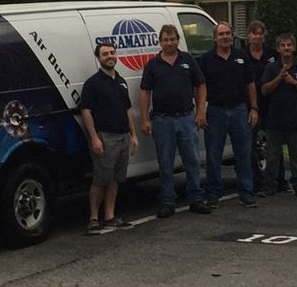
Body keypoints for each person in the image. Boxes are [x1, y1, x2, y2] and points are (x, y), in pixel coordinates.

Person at [139, 23, 212, 217]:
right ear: (160, 42)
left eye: (172, 39)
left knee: (192, 161)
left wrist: (201, 111)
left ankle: (195, 199)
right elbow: (145, 92)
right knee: (165, 163)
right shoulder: (153, 65)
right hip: (163, 121)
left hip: (187, 118)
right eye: (165, 40)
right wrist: (145, 119)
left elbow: (201, 85)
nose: (169, 43)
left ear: (178, 40)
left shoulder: (188, 60)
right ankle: (167, 201)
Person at [76, 40, 139, 234]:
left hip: (123, 137)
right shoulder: (92, 84)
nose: (110, 56)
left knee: (116, 178)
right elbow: (85, 111)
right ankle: (94, 218)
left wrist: (133, 135)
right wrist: (94, 138)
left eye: (112, 53)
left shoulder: (121, 81)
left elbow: (128, 109)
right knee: (101, 178)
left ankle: (110, 215)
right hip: (105, 137)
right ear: (98, 58)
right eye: (105, 54)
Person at [197, 21, 258, 208]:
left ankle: (246, 192)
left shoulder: (241, 57)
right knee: (214, 154)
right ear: (215, 38)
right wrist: (201, 111)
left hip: (239, 109)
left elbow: (250, 83)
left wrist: (254, 108)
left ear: (232, 36)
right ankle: (213, 192)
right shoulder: (206, 60)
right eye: (221, 34)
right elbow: (201, 87)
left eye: (228, 34)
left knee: (243, 153)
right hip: (215, 110)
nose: (225, 37)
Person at [258, 31, 297, 197]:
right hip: (274, 119)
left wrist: (294, 82)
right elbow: (264, 89)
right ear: (278, 49)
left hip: (295, 118)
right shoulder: (271, 67)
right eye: (283, 45)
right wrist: (279, 78)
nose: (286, 48)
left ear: (294, 47)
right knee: (273, 155)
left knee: (296, 155)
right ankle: (270, 185)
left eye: (289, 45)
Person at [244, 20, 273, 192]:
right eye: (254, 33)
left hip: (270, 104)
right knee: (250, 146)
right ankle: (256, 182)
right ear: (248, 35)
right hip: (250, 105)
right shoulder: (242, 55)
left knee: (272, 145)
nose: (257, 37)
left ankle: (275, 181)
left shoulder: (271, 53)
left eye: (260, 33)